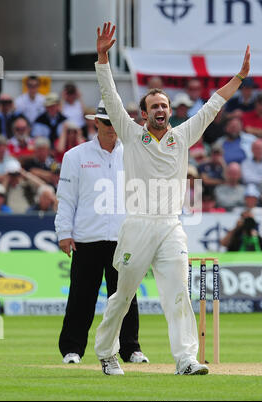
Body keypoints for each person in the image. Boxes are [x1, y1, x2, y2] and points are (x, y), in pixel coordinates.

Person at [93, 22, 250, 376]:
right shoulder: (132, 135)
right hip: (138, 225)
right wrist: (103, 55)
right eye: (154, 106)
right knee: (123, 296)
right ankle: (106, 352)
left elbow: (212, 106)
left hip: (171, 227)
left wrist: (239, 77)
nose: (161, 109)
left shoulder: (182, 136)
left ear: (169, 110)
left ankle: (185, 359)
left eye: (164, 104)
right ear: (145, 114)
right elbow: (111, 95)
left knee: (179, 294)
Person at [55, 99, 148, 366]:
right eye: (106, 122)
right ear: (95, 122)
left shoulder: (133, 153)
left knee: (125, 297)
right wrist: (64, 232)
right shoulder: (76, 156)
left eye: (115, 122)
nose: (111, 128)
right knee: (81, 297)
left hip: (124, 237)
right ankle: (72, 349)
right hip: (87, 236)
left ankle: (130, 349)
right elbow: (67, 198)